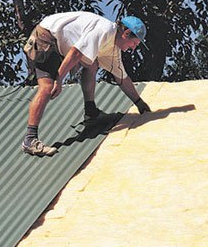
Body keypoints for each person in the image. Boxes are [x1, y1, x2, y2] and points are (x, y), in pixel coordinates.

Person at [21, 12, 152, 157]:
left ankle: (91, 114)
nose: (133, 48)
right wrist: (58, 79)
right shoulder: (104, 30)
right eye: (134, 43)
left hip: (58, 43)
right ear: (126, 34)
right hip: (46, 36)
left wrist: (139, 103)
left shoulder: (112, 50)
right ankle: (30, 140)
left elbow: (121, 78)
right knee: (47, 87)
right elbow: (76, 53)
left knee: (92, 63)